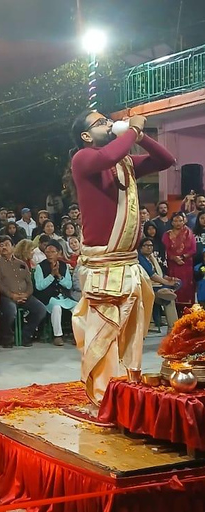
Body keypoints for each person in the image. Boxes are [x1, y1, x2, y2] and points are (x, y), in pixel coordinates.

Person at [69, 109, 175, 404]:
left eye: (106, 119)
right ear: (86, 136)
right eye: (100, 122)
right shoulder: (84, 158)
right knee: (103, 338)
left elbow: (166, 161)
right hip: (103, 267)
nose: (107, 123)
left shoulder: (124, 161)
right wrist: (131, 132)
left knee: (131, 335)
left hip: (127, 264)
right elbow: (105, 158)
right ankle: (102, 401)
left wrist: (140, 135)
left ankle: (127, 394)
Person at [0, 235, 47, 348]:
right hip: (6, 297)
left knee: (41, 309)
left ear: (13, 247)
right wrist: (12, 295)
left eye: (6, 245)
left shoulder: (21, 263)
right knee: (11, 311)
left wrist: (26, 294)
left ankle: (25, 335)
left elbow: (29, 283)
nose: (3, 247)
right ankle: (7, 337)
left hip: (25, 295)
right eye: (1, 245)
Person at [34, 241, 78, 346]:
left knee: (77, 308)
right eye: (47, 252)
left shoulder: (64, 266)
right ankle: (57, 336)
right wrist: (51, 276)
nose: (49, 254)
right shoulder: (40, 267)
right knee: (56, 307)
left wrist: (59, 276)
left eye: (53, 252)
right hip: (48, 298)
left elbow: (68, 285)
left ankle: (78, 335)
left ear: (59, 253)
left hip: (63, 297)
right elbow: (39, 286)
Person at [138, 237, 180, 330]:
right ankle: (174, 328)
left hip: (156, 285)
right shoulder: (140, 259)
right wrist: (167, 283)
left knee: (174, 289)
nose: (149, 248)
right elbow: (152, 276)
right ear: (141, 248)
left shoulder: (151, 258)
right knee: (168, 297)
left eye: (151, 245)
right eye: (146, 245)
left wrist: (171, 279)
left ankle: (173, 328)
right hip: (147, 288)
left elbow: (160, 273)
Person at [162, 211, 196, 303]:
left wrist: (182, 257)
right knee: (175, 284)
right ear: (172, 222)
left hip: (186, 264)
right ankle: (174, 306)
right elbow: (165, 250)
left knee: (187, 286)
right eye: (175, 221)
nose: (178, 223)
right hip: (173, 264)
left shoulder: (189, 233)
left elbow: (193, 249)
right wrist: (174, 258)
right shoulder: (167, 234)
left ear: (184, 221)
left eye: (180, 221)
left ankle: (187, 308)